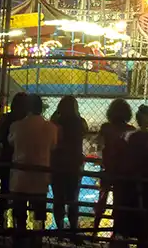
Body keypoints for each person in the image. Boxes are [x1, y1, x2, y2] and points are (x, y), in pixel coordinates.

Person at [8, 94, 58, 237]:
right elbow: (53, 146)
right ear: (41, 108)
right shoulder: (51, 128)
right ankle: (37, 241)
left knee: (19, 214)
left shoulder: (17, 126)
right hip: (40, 176)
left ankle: (19, 240)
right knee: (38, 215)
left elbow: (11, 142)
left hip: (20, 177)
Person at [92, 98, 137, 235]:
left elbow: (98, 145)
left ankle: (94, 230)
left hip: (107, 167)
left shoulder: (106, 128)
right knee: (119, 201)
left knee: (102, 199)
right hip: (122, 170)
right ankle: (116, 233)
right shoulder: (130, 129)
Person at [50, 95, 89, 234]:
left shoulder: (56, 122)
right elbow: (85, 133)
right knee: (73, 198)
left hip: (58, 163)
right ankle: (73, 229)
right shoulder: (80, 122)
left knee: (58, 198)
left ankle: (60, 229)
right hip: (74, 164)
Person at [122, 105, 148, 247]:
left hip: (134, 179)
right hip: (147, 180)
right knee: (146, 217)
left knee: (133, 214)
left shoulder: (131, 136)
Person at [0, 92, 28, 228]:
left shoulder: (6, 118)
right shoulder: (25, 121)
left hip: (6, 158)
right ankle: (19, 222)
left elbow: (0, 138)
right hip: (21, 159)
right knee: (21, 192)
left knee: (5, 189)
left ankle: (2, 220)